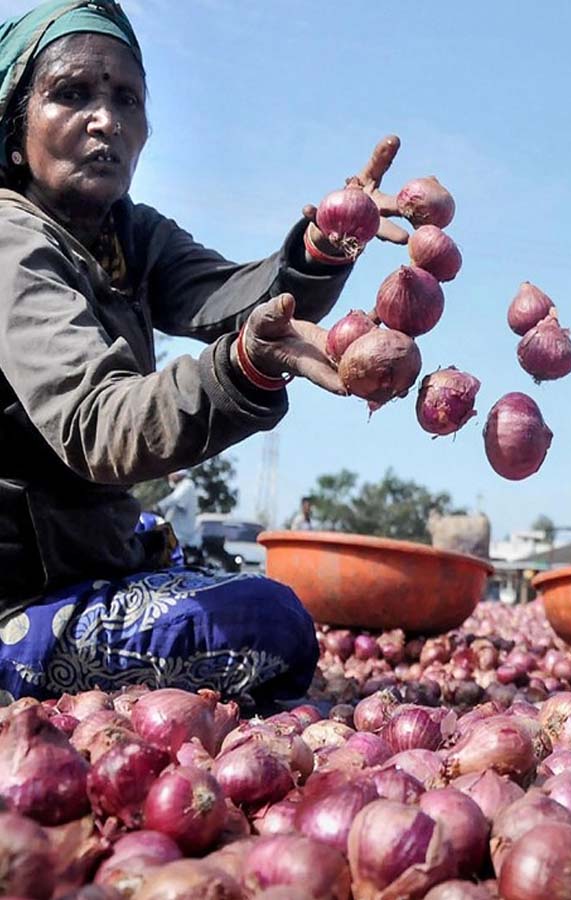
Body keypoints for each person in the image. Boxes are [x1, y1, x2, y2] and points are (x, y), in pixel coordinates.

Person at [0, 0, 409, 707]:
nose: (107, 120)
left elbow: (239, 298)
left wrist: (328, 240)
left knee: (169, 543)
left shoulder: (129, 233)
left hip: (80, 552)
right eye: (72, 94)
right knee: (268, 622)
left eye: (126, 98)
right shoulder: (11, 243)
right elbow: (101, 426)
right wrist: (242, 368)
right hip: (18, 584)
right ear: (14, 129)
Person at [157, 471, 200, 563]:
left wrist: (158, 506)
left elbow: (174, 499)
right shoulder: (180, 487)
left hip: (181, 537)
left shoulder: (187, 485)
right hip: (177, 537)